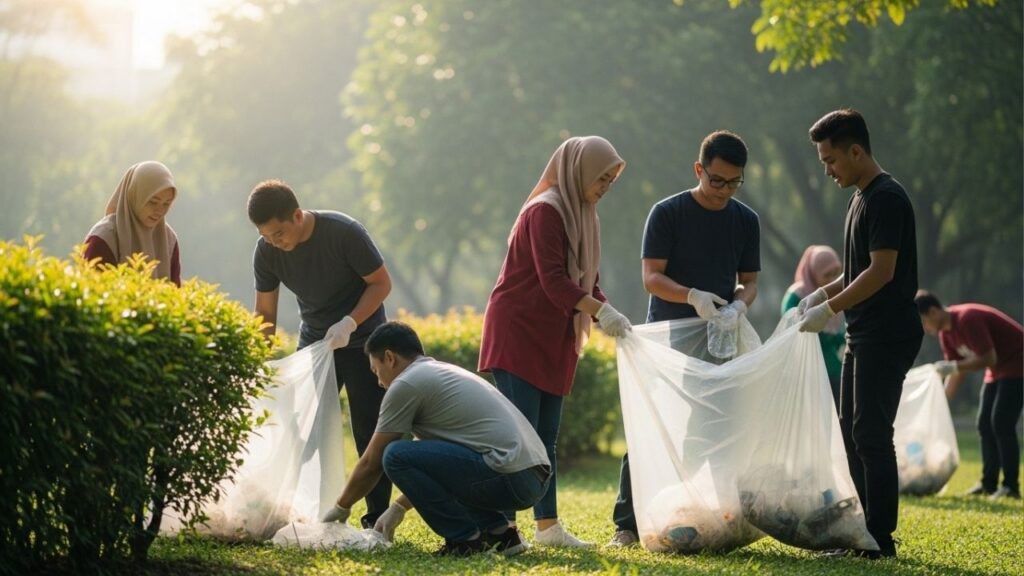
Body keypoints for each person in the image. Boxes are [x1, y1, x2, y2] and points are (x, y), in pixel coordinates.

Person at [608, 130, 760, 548]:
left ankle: (708, 507)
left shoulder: (745, 220)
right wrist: (692, 296)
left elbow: (750, 282)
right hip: (671, 335)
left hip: (720, 336)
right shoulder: (668, 213)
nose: (724, 191)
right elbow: (651, 278)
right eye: (717, 181)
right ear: (699, 170)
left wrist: (738, 306)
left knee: (715, 425)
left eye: (734, 183)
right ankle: (628, 523)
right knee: (657, 427)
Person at [478, 136, 632, 549]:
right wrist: (600, 313)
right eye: (600, 178)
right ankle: (502, 528)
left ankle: (547, 528)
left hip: (553, 332)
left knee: (545, 437)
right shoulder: (546, 210)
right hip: (519, 330)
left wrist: (611, 312)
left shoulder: (584, 215)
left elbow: (588, 283)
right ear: (578, 170)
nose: (603, 187)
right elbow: (554, 282)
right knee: (517, 436)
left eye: (610, 181)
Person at [801, 108, 922, 559]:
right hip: (861, 332)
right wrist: (819, 295)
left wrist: (830, 307)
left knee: (871, 433)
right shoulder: (859, 198)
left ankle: (879, 541)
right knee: (852, 432)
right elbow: (856, 270)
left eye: (831, 160)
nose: (828, 170)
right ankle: (862, 534)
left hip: (887, 333)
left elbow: (882, 272)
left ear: (856, 150)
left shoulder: (886, 198)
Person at [321, 321, 552, 557]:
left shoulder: (406, 383)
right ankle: (500, 535)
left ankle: (465, 541)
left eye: (375, 371)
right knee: (409, 454)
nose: (379, 382)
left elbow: (373, 461)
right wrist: (399, 507)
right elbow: (441, 465)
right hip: (533, 476)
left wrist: (341, 507)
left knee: (395, 454)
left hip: (510, 475)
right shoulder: (439, 371)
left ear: (390, 358)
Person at [247, 179, 393, 528]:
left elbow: (382, 283)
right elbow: (264, 314)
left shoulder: (344, 233)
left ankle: (375, 521)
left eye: (279, 233)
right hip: (315, 343)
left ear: (297, 215)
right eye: (266, 236)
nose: (274, 243)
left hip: (362, 340)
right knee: (306, 430)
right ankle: (299, 512)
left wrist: (349, 323)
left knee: (369, 430)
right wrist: (257, 361)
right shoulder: (266, 251)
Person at [915, 290, 1022, 500]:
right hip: (998, 370)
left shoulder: (966, 319)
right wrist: (940, 405)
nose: (925, 329)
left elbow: (988, 358)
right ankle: (988, 484)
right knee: (984, 423)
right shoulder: (946, 335)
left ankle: (1011, 486)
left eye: (923, 322)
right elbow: (958, 372)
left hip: (1018, 363)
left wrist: (953, 366)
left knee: (1001, 422)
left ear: (934, 311)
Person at [83, 161, 181, 286]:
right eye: (153, 202)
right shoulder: (104, 238)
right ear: (134, 195)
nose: (160, 211)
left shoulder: (169, 240)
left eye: (166, 203)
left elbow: (175, 295)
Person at [782, 245, 845, 404]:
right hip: (807, 374)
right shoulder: (797, 296)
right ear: (813, 273)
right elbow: (794, 332)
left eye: (836, 274)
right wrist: (831, 338)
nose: (832, 280)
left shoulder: (836, 294)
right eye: (826, 275)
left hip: (833, 370)